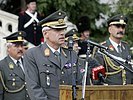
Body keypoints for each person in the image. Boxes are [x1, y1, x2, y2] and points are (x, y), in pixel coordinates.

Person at [23, 10, 101, 100]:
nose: (62, 33)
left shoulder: (71, 54)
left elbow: (81, 84)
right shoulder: (33, 55)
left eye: (63, 29)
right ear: (45, 34)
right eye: (57, 30)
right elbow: (34, 89)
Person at [94, 14, 133, 85]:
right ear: (110, 29)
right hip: (111, 91)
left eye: (123, 27)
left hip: (128, 90)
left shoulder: (126, 46)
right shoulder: (102, 48)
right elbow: (97, 77)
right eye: (117, 27)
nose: (121, 30)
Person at [0, 31, 30, 100]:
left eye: (21, 45)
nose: (20, 49)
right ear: (8, 48)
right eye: (16, 46)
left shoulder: (28, 63)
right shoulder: (2, 66)